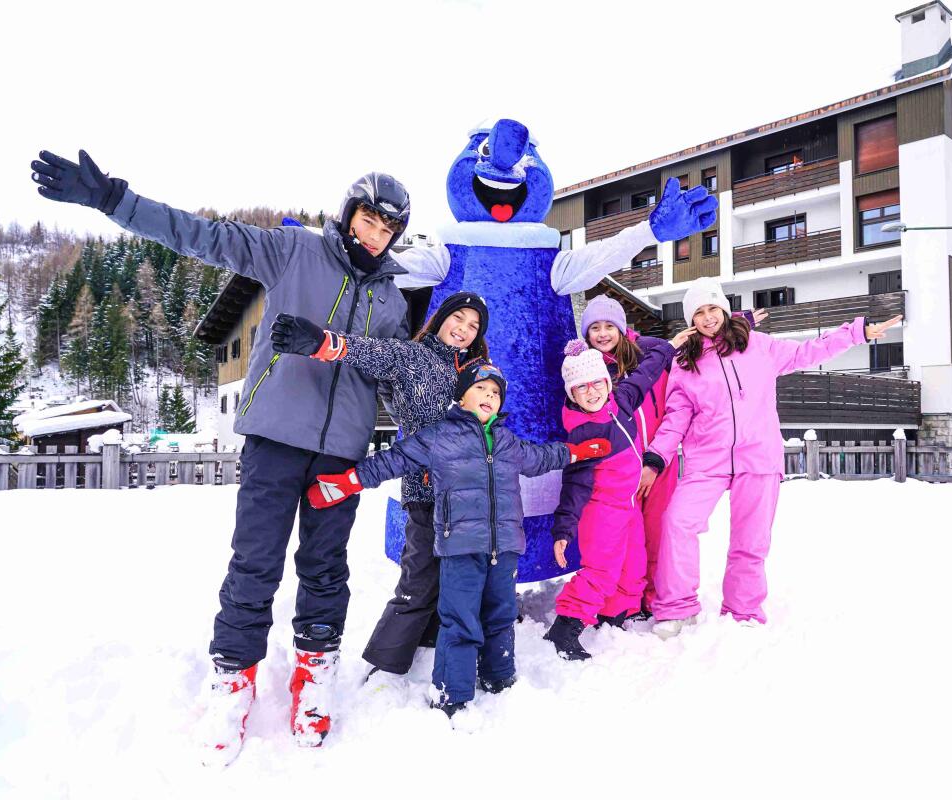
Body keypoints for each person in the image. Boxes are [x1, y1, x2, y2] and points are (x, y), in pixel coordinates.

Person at [30, 150, 412, 763]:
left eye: (387, 228)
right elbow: (202, 236)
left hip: (341, 454)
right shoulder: (293, 251)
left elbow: (395, 371)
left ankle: (314, 674)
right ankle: (232, 680)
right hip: (275, 439)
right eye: (368, 220)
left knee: (325, 570)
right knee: (255, 563)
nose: (374, 235)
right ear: (347, 215)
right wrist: (114, 201)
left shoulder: (391, 300)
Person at [305, 362, 611, 723]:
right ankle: (452, 692)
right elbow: (393, 460)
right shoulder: (439, 437)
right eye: (481, 388)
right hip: (461, 547)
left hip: (505, 546)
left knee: (501, 615)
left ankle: (499, 677)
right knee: (460, 619)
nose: (489, 396)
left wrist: (577, 452)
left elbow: (541, 458)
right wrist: (349, 482)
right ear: (461, 397)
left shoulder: (507, 441)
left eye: (495, 392)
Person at [640, 277, 901, 639]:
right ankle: (677, 608)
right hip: (707, 460)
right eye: (698, 312)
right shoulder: (687, 364)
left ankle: (742, 609)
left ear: (725, 310)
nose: (708, 317)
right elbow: (675, 419)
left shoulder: (758, 346)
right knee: (677, 522)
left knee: (751, 539)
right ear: (691, 320)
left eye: (713, 308)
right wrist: (655, 459)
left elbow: (809, 351)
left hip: (758, 456)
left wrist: (857, 334)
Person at [270, 292, 489, 678]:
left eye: (474, 326)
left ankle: (429, 644)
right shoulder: (412, 355)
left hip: (466, 495)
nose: (464, 329)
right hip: (425, 489)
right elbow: (370, 352)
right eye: (459, 318)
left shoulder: (473, 372)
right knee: (419, 579)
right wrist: (323, 343)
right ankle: (385, 666)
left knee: (452, 576)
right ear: (441, 318)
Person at [578, 296, 764, 619]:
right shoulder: (589, 369)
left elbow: (700, 336)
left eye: (609, 326)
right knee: (625, 536)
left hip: (659, 461)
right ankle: (624, 601)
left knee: (659, 532)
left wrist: (738, 320)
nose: (603, 333)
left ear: (622, 328)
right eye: (595, 328)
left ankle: (653, 597)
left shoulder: (652, 350)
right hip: (619, 467)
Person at [544, 325, 691, 660]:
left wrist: (669, 346)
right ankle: (565, 628)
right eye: (581, 387)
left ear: (607, 383)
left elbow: (645, 373)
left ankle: (614, 614)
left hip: (628, 504)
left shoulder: (620, 400)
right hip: (602, 509)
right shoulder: (585, 431)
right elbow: (574, 483)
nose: (592, 391)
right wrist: (564, 529)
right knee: (601, 570)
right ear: (572, 394)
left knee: (633, 564)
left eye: (597, 382)